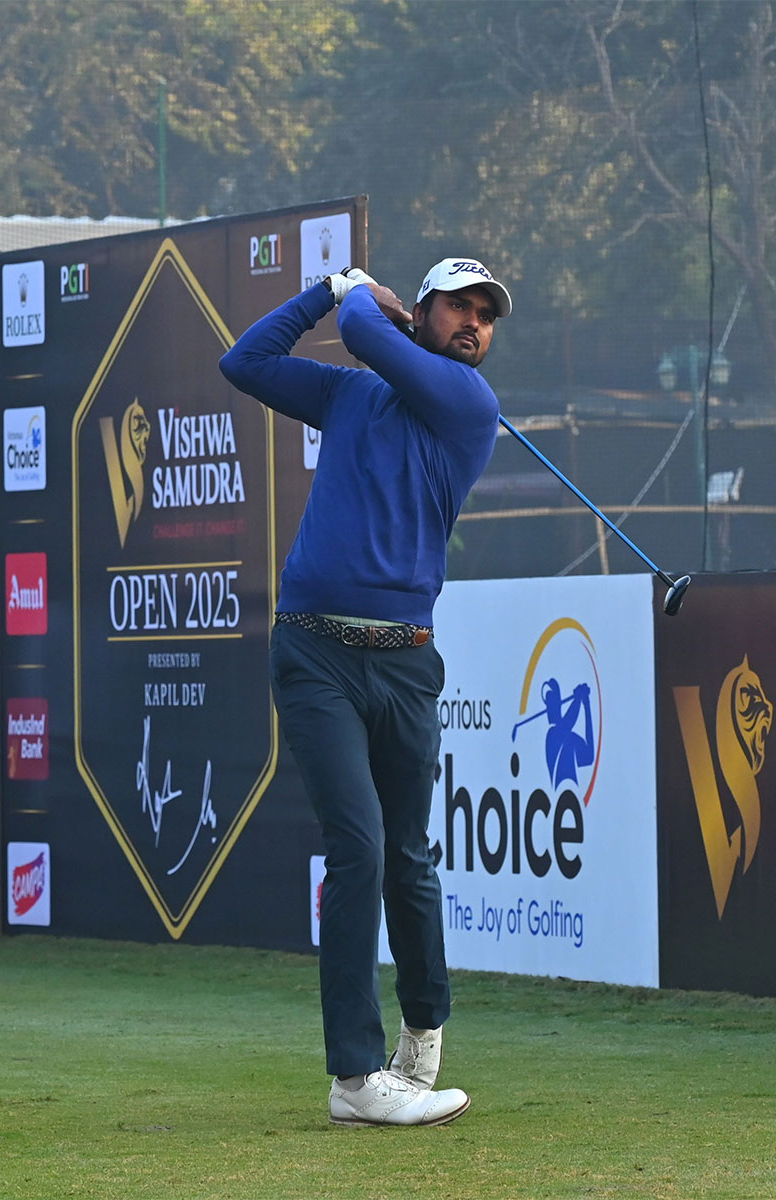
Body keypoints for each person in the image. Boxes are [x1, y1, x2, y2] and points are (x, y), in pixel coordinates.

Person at [219, 256, 511, 1127]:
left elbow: (358, 333)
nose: (473, 324)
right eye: (457, 307)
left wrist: (356, 299)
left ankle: (423, 1030)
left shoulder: (468, 406)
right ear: (420, 314)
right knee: (359, 846)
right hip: (314, 653)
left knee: (409, 856)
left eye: (486, 315)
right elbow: (244, 363)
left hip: (406, 662)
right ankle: (354, 1077)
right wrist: (322, 290)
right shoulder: (350, 397)